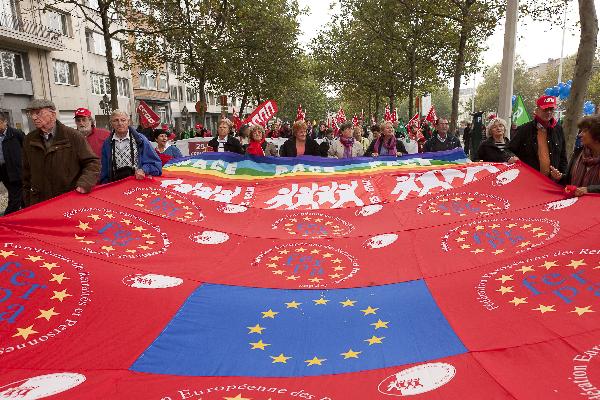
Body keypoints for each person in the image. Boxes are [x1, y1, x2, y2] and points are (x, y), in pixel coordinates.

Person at [22, 99, 100, 206]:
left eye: (38, 113)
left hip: (68, 200)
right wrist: (27, 200)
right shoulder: (29, 139)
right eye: (31, 113)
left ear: (53, 115)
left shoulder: (73, 136)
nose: (34, 117)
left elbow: (93, 163)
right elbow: (26, 173)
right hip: (40, 202)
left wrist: (84, 184)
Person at [509, 95, 567, 177]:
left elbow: (563, 156)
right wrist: (512, 157)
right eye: (545, 109)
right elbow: (509, 150)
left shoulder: (558, 129)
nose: (549, 112)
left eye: (551, 109)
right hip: (530, 180)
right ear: (537, 110)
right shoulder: (524, 129)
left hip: (552, 182)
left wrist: (562, 176)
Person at [99, 109, 162, 183]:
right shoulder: (107, 143)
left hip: (137, 185)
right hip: (116, 186)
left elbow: (156, 165)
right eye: (115, 120)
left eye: (123, 120)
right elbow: (104, 170)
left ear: (128, 122)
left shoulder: (140, 140)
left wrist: (144, 170)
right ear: (111, 124)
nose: (120, 123)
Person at [550, 115, 600, 196]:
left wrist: (588, 189)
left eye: (585, 131)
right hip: (573, 204)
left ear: (597, 134)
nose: (580, 135)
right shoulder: (578, 153)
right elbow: (569, 181)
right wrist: (560, 177)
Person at [0, 114, 24, 214]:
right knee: (17, 194)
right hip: (3, 170)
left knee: (15, 195)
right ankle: (26, 212)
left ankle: (7, 217)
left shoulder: (16, 133)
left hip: (16, 170)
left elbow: (26, 149)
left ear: (5, 122)